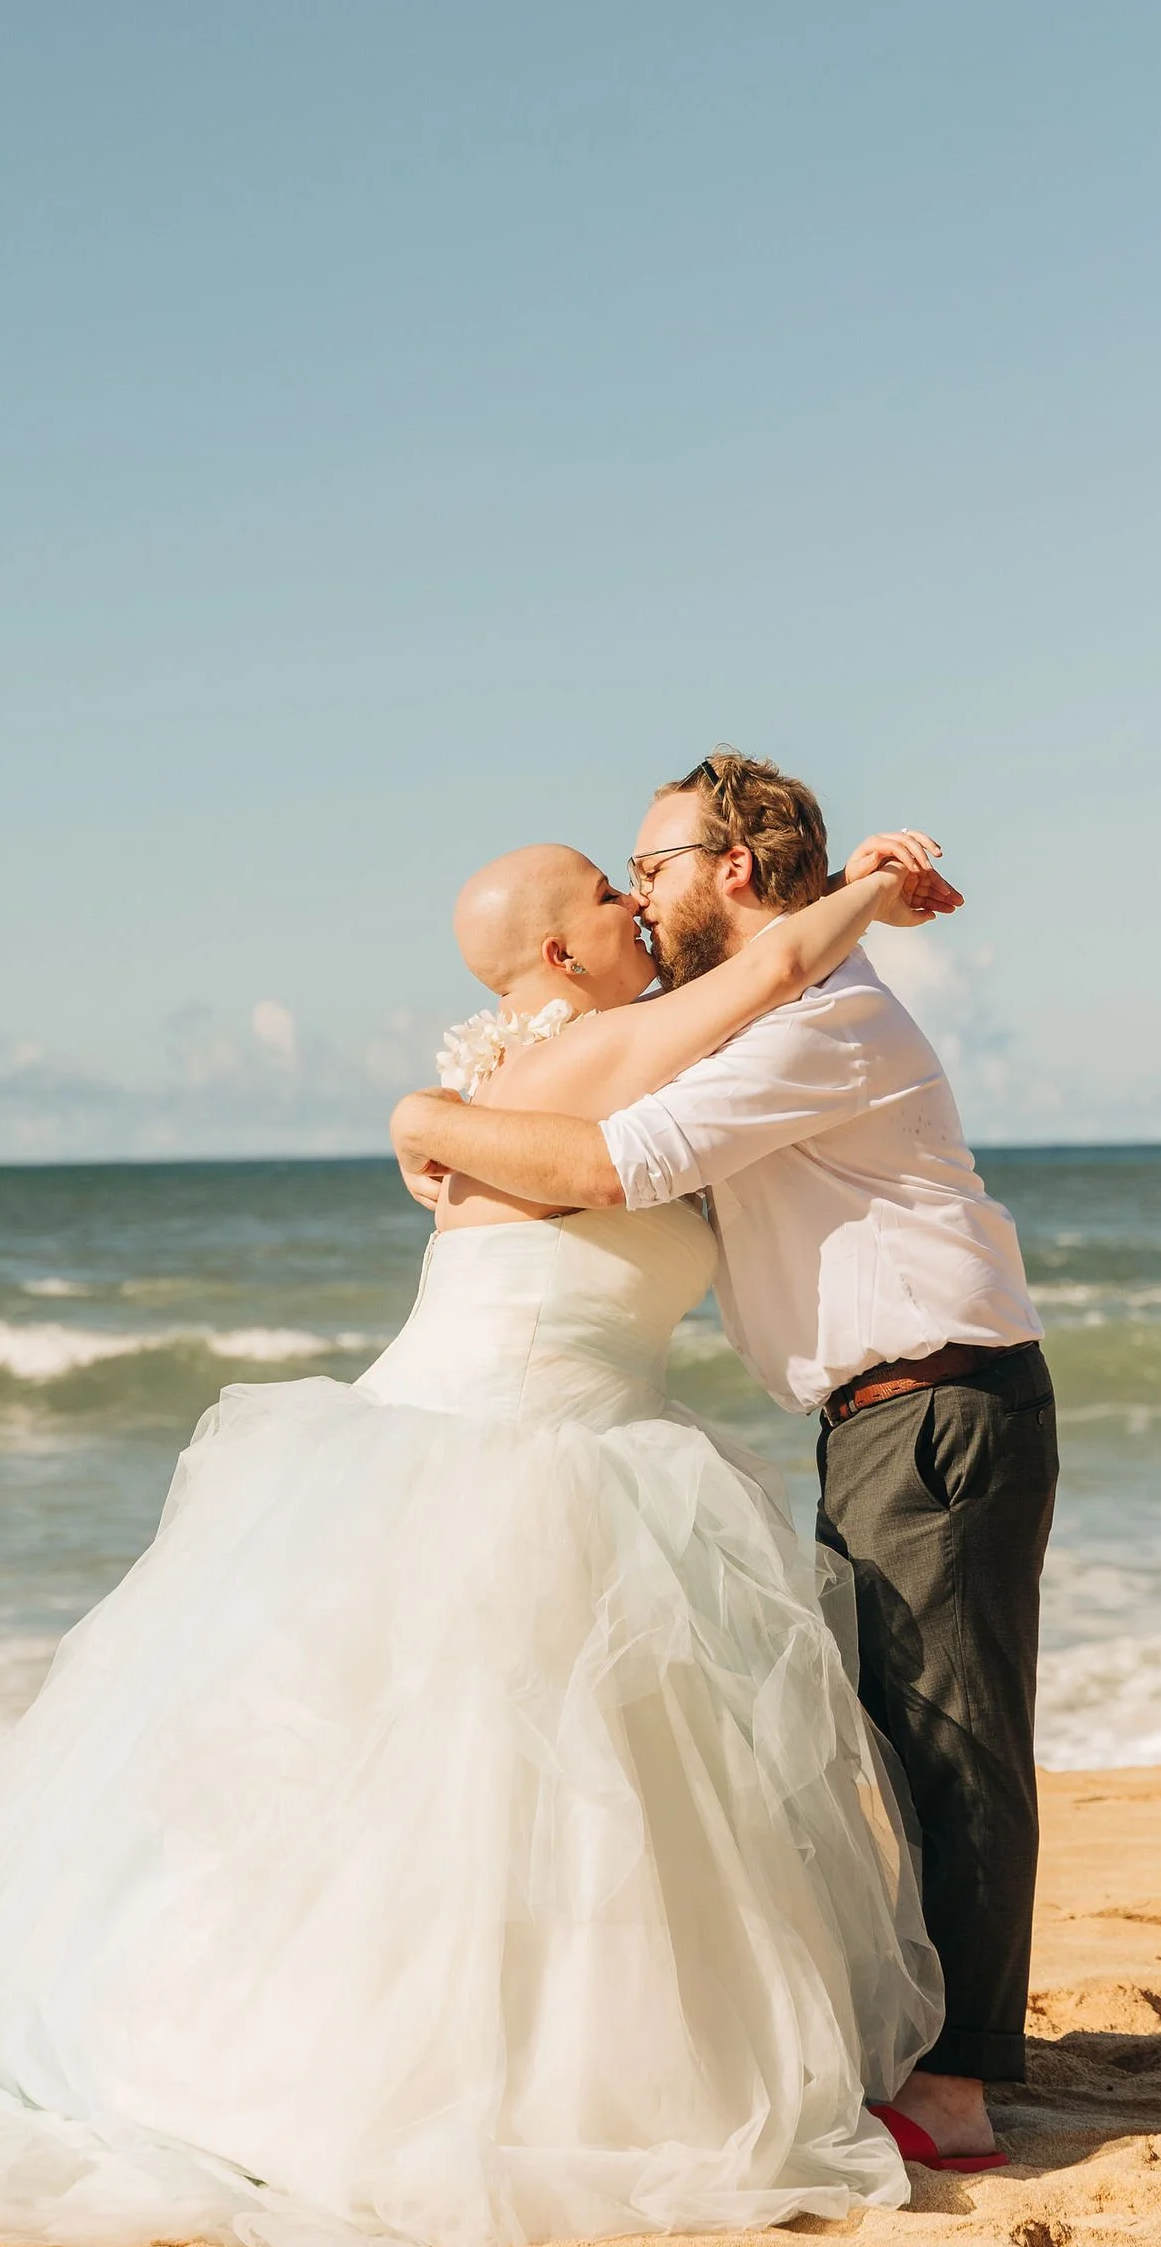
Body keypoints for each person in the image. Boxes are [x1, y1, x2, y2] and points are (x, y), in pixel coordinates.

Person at [0, 833, 956, 2247]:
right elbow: (770, 963)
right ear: (565, 955)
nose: (637, 901)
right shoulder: (593, 1058)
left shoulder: (512, 1082)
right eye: (607, 890)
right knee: (482, 1801)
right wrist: (878, 887)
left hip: (511, 1443)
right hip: (513, 1458)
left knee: (480, 1808)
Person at [391, 750, 1055, 2174]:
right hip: (884, 1414)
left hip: (939, 1403)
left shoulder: (819, 1027)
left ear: (733, 872)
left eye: (655, 864)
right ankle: (930, 2050)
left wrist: (429, 1121)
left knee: (955, 1744)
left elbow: (623, 1160)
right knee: (895, 1736)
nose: (641, 887)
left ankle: (954, 2096)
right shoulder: (749, 1018)